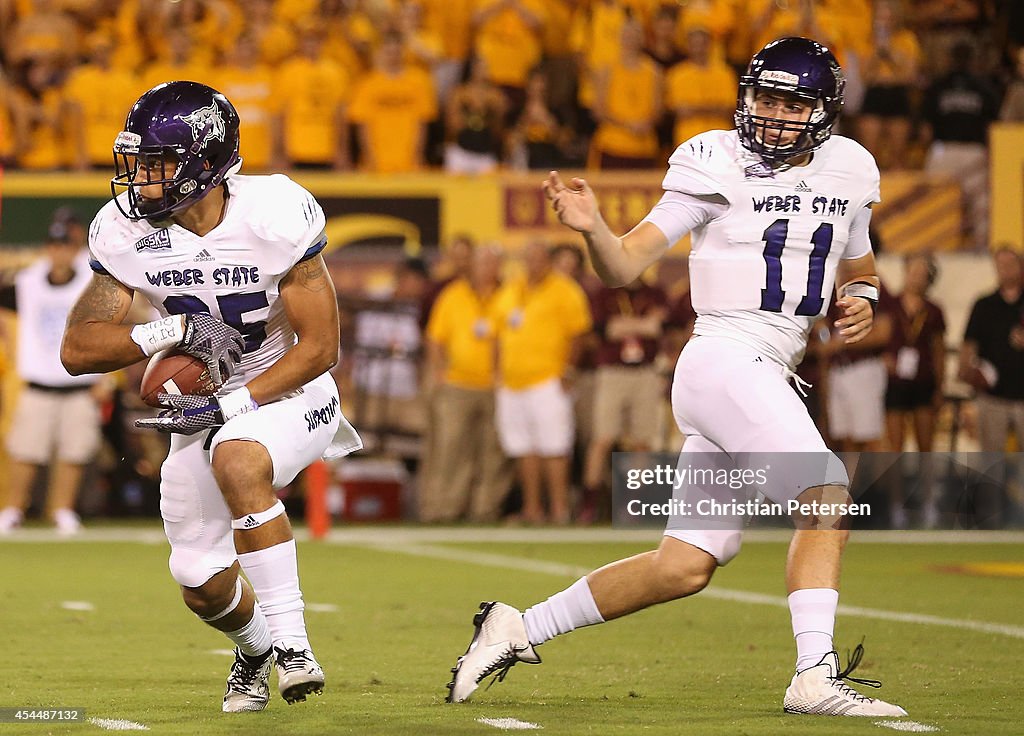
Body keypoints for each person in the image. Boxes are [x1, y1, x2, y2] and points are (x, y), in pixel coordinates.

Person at [445, 38, 907, 717]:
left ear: (824, 111)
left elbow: (860, 267)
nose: (774, 117)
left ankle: (517, 626)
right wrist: (595, 229)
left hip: (766, 367)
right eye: (766, 100)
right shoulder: (714, 160)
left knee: (685, 565)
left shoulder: (852, 168)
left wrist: (862, 302)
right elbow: (627, 264)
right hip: (724, 356)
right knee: (825, 489)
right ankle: (813, 675)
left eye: (792, 104)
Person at [59, 81, 362, 713]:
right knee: (198, 579)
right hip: (208, 401)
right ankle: (252, 649)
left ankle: (292, 648)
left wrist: (229, 406)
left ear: (204, 161)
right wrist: (172, 329)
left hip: (290, 388)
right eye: (138, 163)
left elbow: (321, 346)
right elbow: (79, 349)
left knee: (238, 457)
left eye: (157, 164)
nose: (141, 180)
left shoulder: (274, 211)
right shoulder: (124, 231)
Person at [0, 218, 103, 536]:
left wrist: (105, 378)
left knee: (74, 453)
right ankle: (12, 510)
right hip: (39, 383)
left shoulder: (91, 280)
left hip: (79, 383)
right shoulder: (28, 281)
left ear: (74, 250)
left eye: (65, 246)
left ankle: (62, 511)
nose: (59, 252)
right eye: (54, 245)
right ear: (48, 248)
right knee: (25, 452)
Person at [885, 253, 946, 528]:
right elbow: (881, 338)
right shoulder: (891, 305)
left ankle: (928, 502)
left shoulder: (933, 310)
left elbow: (939, 350)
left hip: (923, 382)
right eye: (913, 271)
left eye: (922, 273)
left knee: (925, 447)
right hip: (895, 383)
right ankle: (897, 505)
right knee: (895, 447)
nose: (916, 277)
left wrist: (940, 387)